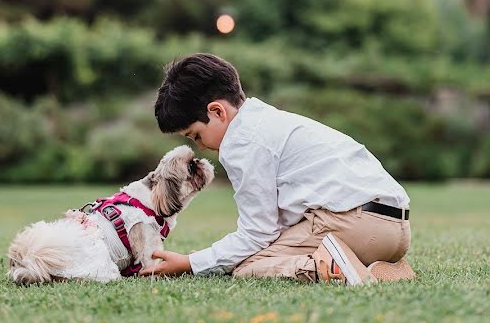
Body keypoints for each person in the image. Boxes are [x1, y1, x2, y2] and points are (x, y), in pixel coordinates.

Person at [139, 53, 415, 284]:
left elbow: (257, 233)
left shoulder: (242, 143)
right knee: (262, 250)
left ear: (218, 112)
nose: (201, 146)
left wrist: (190, 262)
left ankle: (334, 268)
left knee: (248, 266)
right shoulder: (269, 120)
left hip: (356, 226)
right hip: (396, 230)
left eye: (196, 135)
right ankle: (383, 270)